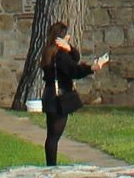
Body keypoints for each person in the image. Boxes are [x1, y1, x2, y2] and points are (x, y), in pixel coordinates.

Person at [39, 22, 107, 168]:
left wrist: (69, 48)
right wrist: (92, 68)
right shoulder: (60, 56)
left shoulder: (49, 52)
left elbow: (74, 58)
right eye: (67, 36)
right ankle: (51, 166)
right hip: (58, 98)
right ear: (62, 38)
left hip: (50, 94)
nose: (69, 37)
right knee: (54, 135)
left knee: (52, 134)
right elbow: (73, 70)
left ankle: (50, 165)